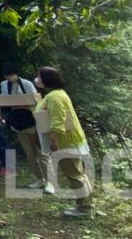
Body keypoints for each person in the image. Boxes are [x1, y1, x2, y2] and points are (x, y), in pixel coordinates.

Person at [36, 66, 93, 218]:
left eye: (39, 76)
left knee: (74, 176)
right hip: (70, 140)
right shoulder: (57, 94)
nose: (37, 79)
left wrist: (54, 141)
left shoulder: (54, 97)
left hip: (65, 142)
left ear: (46, 79)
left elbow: (57, 120)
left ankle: (84, 209)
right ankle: (86, 205)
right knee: (79, 174)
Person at [0, 63, 54, 193]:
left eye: (11, 75)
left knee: (41, 153)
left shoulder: (27, 84)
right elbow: (4, 101)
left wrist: (24, 105)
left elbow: (37, 101)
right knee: (29, 153)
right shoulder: (4, 85)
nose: (10, 78)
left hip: (32, 121)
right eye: (7, 76)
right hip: (17, 122)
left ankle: (50, 182)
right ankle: (40, 178)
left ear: (16, 74)